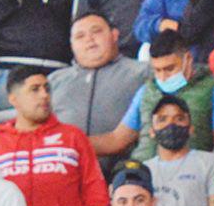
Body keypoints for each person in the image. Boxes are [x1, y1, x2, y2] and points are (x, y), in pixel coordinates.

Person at [0, 67, 109, 206]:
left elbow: (95, 192)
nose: (44, 95)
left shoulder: (73, 137)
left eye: (47, 89)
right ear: (14, 99)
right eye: (35, 89)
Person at [93, 30, 214, 162]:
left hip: (190, 172)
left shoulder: (213, 88)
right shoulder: (146, 91)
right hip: (142, 170)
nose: (163, 77)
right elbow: (117, 139)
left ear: (188, 59)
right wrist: (73, 141)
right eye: (157, 70)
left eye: (169, 69)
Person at [47, 12, 151, 147]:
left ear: (114, 35)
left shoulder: (143, 72)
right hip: (62, 163)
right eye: (80, 36)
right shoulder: (54, 80)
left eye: (96, 32)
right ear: (71, 44)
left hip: (126, 164)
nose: (89, 39)